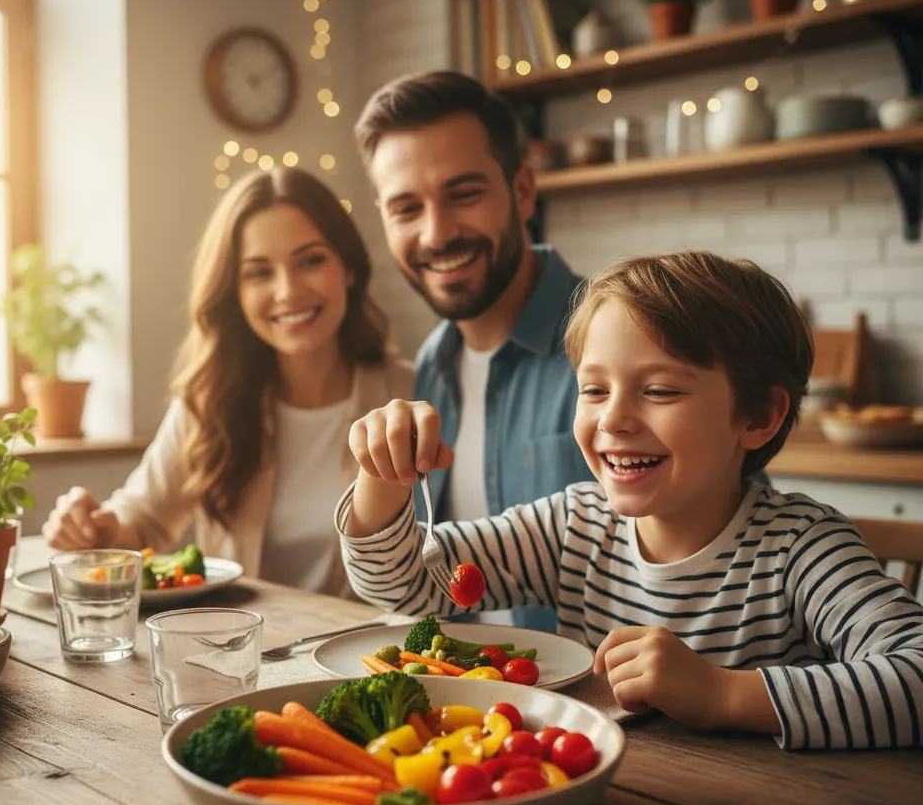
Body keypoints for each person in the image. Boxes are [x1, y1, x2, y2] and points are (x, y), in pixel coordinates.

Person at [335, 250, 923, 750]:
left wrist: (723, 693)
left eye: (660, 390)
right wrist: (382, 478)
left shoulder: (800, 547)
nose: (613, 419)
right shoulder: (573, 526)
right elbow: (404, 586)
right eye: (593, 390)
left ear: (758, 416)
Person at [44, 167, 411, 597]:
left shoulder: (411, 395)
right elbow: (142, 519)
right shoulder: (210, 399)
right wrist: (93, 529)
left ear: (348, 266)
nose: (288, 291)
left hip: (368, 658)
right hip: (238, 655)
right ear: (233, 292)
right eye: (259, 272)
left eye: (310, 260)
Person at [354, 70, 591, 629]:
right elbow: (418, 580)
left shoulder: (619, 339)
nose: (436, 234)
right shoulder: (432, 364)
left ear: (523, 191)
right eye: (406, 208)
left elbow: (737, 543)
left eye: (463, 194)